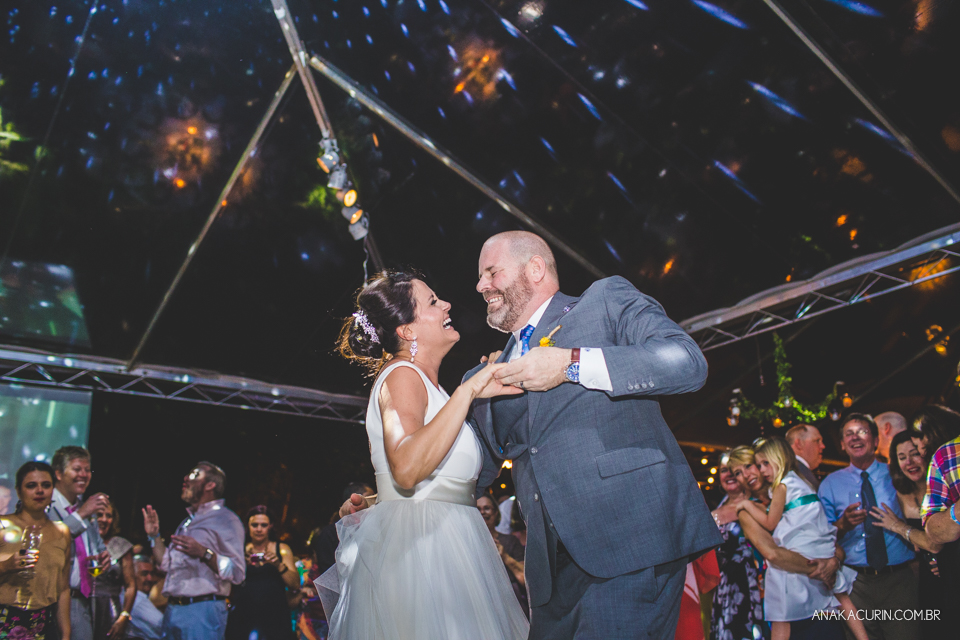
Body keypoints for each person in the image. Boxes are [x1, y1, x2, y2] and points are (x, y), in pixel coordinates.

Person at [466, 230, 719, 638]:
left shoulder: (603, 301)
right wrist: (387, 506)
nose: (481, 286)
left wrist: (570, 363)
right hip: (549, 577)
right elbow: (470, 468)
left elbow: (686, 363)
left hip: (631, 541)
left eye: (491, 272)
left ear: (534, 269)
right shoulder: (486, 374)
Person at [327, 270, 529, 638]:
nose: (447, 304)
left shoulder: (433, 389)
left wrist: (479, 394)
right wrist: (468, 392)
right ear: (407, 331)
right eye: (433, 302)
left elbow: (429, 476)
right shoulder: (401, 374)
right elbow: (405, 468)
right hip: (423, 555)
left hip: (454, 544)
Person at [735, 437, 866, 640]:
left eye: (753, 465)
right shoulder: (797, 481)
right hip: (801, 593)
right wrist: (823, 565)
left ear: (776, 459)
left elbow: (834, 546)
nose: (755, 472)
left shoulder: (781, 488)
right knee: (839, 599)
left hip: (818, 599)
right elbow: (774, 554)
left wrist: (833, 560)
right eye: (737, 473)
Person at [818, 413, 919, 640]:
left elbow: (919, 515)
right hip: (855, 584)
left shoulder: (897, 473)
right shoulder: (830, 484)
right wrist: (842, 525)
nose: (856, 437)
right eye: (849, 434)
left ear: (875, 440)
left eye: (862, 431)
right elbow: (822, 537)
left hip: (899, 579)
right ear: (843, 445)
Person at [142, 462, 245, 640]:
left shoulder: (226, 519)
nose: (186, 478)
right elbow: (166, 564)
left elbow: (237, 572)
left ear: (210, 485)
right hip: (173, 609)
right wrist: (154, 536)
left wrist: (205, 554)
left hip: (202, 610)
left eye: (194, 475)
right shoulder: (187, 523)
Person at [872, 430, 946, 639]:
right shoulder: (899, 495)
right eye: (902, 457)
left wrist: (898, 526)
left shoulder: (944, 488)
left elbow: (935, 542)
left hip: (949, 570)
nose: (909, 462)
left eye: (914, 454)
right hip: (919, 578)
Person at [0, 461, 73, 639]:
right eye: (31, 485)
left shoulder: (62, 531)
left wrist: (66, 633)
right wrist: (6, 566)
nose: (39, 491)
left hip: (40, 623)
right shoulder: (3, 524)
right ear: (19, 491)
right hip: (4, 616)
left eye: (46, 485)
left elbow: (63, 589)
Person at [47, 446, 111, 640]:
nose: (83, 475)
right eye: (77, 469)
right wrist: (81, 514)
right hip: (50, 601)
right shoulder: (45, 505)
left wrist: (104, 558)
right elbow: (49, 542)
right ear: (58, 473)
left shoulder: (85, 511)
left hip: (81, 601)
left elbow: (98, 548)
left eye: (87, 470)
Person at [709, 447, 764, 640]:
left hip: (756, 586)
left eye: (735, 470)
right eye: (724, 470)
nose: (730, 475)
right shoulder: (713, 515)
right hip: (726, 590)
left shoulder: (760, 505)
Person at [226, 506, 298, 640]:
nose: (259, 529)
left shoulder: (281, 549)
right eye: (255, 525)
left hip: (275, 616)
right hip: (243, 615)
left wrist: (278, 565)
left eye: (263, 525)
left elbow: (295, 584)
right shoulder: (239, 549)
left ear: (270, 526)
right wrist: (241, 565)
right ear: (248, 526)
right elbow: (228, 583)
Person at [477, 494, 528, 615]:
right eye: (478, 509)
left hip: (511, 601)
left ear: (496, 513)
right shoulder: (467, 542)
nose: (482, 512)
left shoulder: (510, 541)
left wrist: (504, 555)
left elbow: (525, 579)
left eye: (487, 508)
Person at [94, 499, 137, 639]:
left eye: (109, 515)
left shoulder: (120, 545)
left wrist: (124, 616)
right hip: (84, 606)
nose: (104, 519)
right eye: (99, 514)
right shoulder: (82, 541)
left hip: (110, 609)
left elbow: (131, 585)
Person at [124, 555, 163, 640]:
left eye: (151, 574)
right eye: (144, 574)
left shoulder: (141, 597)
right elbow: (162, 624)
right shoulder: (137, 600)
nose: (150, 578)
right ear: (132, 575)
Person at [785, 424, 824, 490]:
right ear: (799, 444)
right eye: (817, 441)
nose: (822, 446)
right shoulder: (797, 473)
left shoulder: (789, 469)